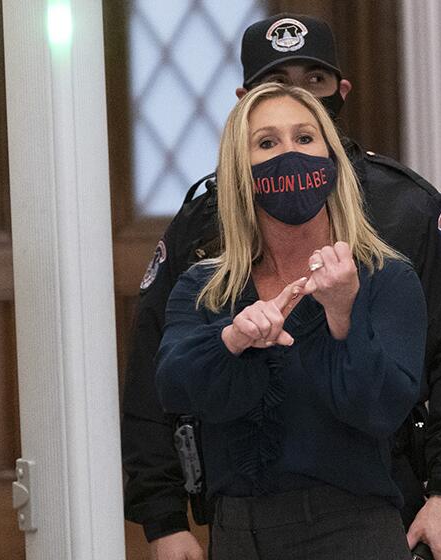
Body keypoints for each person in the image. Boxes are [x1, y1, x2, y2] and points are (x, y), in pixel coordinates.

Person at [122, 13, 441, 560]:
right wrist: (161, 516)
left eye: (315, 83)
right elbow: (154, 376)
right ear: (244, 101)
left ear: (340, 91)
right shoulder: (205, 225)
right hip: (240, 511)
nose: (300, 100)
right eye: (276, 86)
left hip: (383, 498)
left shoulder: (405, 208)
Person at [155, 82, 425, 559]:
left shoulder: (386, 277)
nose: (289, 154)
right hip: (237, 533)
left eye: (304, 138)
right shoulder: (206, 286)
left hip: (350, 531)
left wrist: (343, 314)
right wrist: (232, 339)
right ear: (242, 170)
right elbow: (173, 386)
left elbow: (381, 410)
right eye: (267, 143)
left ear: (332, 159)